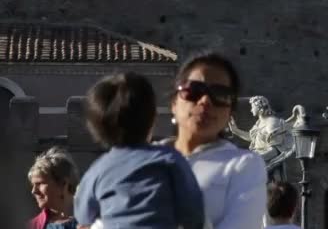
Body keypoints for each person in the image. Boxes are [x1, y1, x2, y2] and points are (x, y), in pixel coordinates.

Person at [74, 72, 205, 229]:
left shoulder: (98, 170)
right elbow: (193, 209)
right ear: (152, 119)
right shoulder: (168, 158)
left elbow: (83, 214)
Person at [162, 52, 267, 229]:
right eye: (194, 91)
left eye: (220, 95)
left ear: (230, 112)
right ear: (174, 102)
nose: (205, 101)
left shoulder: (244, 165)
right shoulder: (143, 158)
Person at [28, 146, 80, 229]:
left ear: (62, 184)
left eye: (39, 183)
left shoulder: (94, 221)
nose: (33, 191)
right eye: (33, 185)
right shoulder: (32, 226)